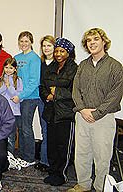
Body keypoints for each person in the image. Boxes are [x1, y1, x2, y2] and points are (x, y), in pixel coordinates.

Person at [68, 28, 123, 192]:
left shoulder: (115, 66)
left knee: (102, 157)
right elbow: (75, 90)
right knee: (82, 154)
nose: (92, 43)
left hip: (103, 118)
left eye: (95, 39)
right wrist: (82, 109)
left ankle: (101, 187)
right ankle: (83, 184)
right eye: (89, 40)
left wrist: (97, 113)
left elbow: (116, 94)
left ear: (104, 41)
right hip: (82, 116)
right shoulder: (83, 65)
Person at [40, 38, 77, 186]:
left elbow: (76, 92)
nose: (58, 54)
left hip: (66, 114)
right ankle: (53, 170)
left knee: (63, 146)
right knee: (52, 144)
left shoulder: (74, 68)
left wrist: (57, 92)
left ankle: (61, 174)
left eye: (62, 51)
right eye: (56, 51)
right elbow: (42, 86)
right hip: (51, 112)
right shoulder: (51, 67)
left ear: (68, 53)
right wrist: (47, 95)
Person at [12, 31, 45, 168]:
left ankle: (29, 157)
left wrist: (21, 96)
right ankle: (22, 155)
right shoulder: (16, 57)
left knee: (26, 127)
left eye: (26, 41)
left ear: (31, 42)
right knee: (19, 127)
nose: (23, 44)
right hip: (17, 98)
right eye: (21, 41)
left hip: (30, 97)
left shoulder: (35, 59)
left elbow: (34, 82)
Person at [35, 35, 56, 172]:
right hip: (43, 101)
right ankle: (44, 160)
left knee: (53, 132)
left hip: (56, 102)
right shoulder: (40, 63)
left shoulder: (59, 63)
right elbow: (41, 83)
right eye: (44, 46)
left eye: (49, 45)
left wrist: (52, 95)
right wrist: (46, 96)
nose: (46, 48)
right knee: (45, 130)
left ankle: (49, 161)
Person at [0, 57, 23, 155]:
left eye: (11, 68)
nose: (8, 70)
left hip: (13, 112)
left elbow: (19, 97)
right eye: (6, 67)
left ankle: (10, 156)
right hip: (0, 112)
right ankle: (0, 154)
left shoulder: (18, 81)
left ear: (15, 69)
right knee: (0, 134)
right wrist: (4, 85)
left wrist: (9, 87)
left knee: (11, 136)